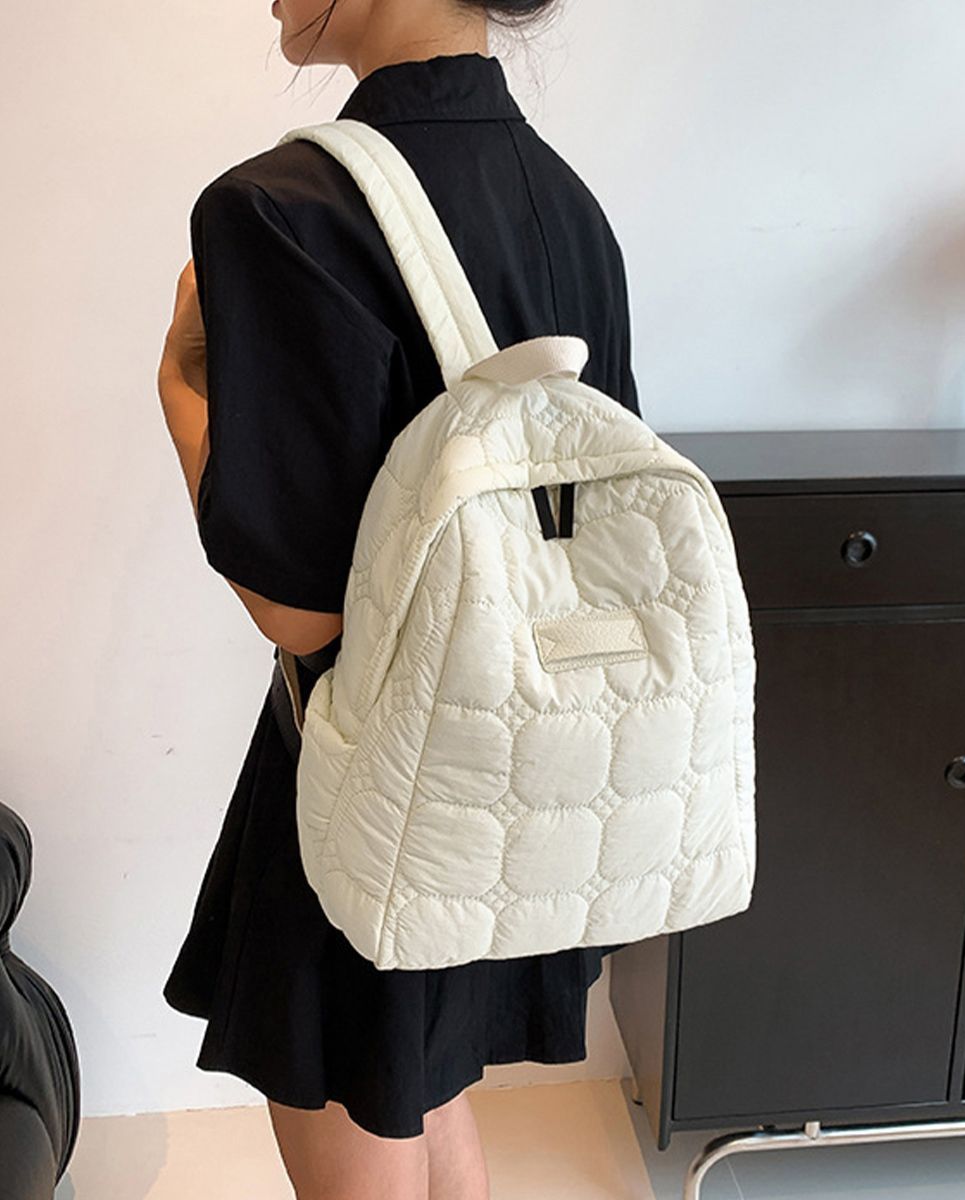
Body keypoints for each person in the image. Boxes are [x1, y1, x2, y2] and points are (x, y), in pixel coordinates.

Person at [157, 2, 642, 1197]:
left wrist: (178, 391)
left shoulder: (279, 209)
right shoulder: (566, 201)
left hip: (369, 771)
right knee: (420, 1079)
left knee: (365, 1083)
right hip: (518, 756)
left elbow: (300, 613)